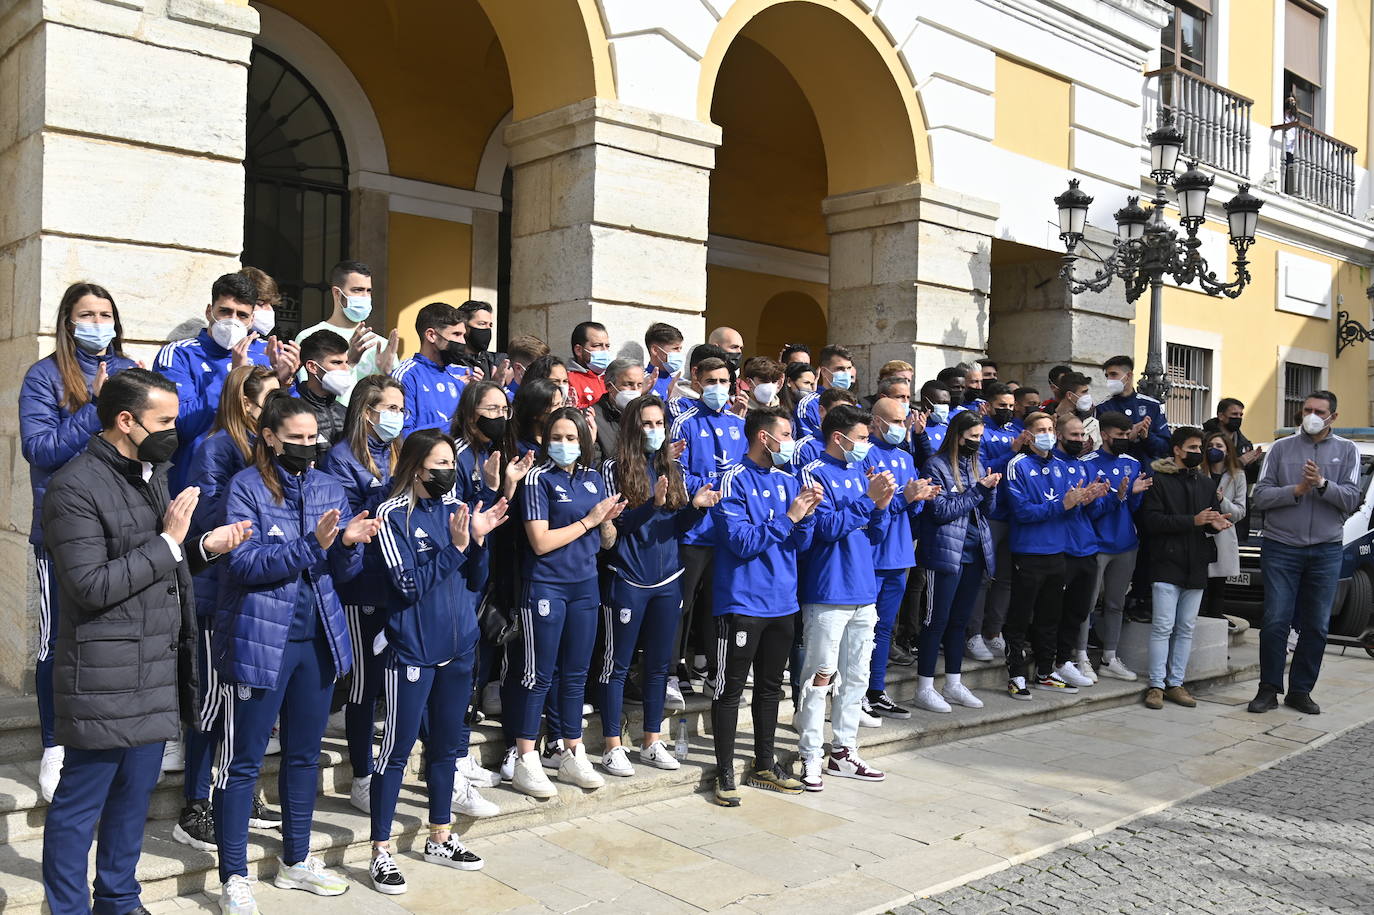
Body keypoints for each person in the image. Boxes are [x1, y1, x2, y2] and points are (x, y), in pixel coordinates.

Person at [39, 369, 250, 915]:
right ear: (125, 421)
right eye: (165, 420)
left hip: (155, 668)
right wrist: (171, 541)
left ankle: (119, 899)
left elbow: (163, 562)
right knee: (79, 805)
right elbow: (89, 585)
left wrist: (204, 545)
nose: (174, 431)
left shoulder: (148, 474)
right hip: (104, 674)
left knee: (134, 801)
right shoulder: (75, 486)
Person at [213, 394, 380, 913]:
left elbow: (343, 575)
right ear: (268, 436)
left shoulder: (329, 485)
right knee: (243, 764)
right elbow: (243, 564)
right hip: (261, 639)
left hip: (319, 639)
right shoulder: (245, 487)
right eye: (297, 438)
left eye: (314, 438)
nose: (308, 447)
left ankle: (296, 859)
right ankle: (233, 875)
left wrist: (350, 545)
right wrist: (314, 544)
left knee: (305, 755)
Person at [367, 430, 508, 894]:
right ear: (415, 467)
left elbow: (476, 581)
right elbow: (407, 585)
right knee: (396, 751)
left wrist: (479, 543)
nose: (448, 471)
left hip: (458, 645)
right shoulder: (391, 516)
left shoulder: (455, 511)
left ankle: (439, 836)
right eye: (439, 464)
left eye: (451, 462)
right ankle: (381, 850)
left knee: (448, 748)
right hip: (412, 649)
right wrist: (457, 548)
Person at [19, 282, 138, 802]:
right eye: (86, 314)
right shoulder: (44, 376)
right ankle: (54, 744)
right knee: (56, 643)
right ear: (68, 321)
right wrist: (95, 406)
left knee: (112, 641)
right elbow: (39, 448)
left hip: (123, 527)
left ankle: (112, 738)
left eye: (105, 314)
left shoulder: (131, 369)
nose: (97, 323)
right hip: (63, 533)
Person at [173, 365, 282, 852]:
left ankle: (234, 789)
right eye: (271, 399)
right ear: (247, 404)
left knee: (243, 705)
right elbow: (211, 519)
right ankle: (194, 805)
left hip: (253, 591)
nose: (278, 406)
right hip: (217, 592)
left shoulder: (265, 449)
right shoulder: (216, 448)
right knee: (211, 704)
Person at [505, 408, 625, 797]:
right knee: (537, 674)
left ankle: (572, 751)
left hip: (585, 586)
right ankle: (526, 758)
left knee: (575, 675)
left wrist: (606, 520)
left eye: (572, 438)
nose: (564, 444)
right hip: (545, 587)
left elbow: (606, 543)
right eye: (557, 436)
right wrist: (590, 521)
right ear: (544, 439)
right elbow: (540, 542)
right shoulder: (538, 479)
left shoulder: (592, 479)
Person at [599, 395, 720, 776]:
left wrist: (694, 507)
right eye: (647, 424)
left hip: (669, 580)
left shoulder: (672, 466)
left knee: (657, 668)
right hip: (628, 579)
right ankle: (611, 746)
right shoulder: (611, 469)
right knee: (616, 666)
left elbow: (675, 527)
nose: (654, 431)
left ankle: (652, 740)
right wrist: (652, 504)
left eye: (659, 424)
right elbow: (616, 530)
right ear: (632, 428)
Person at [709, 407, 820, 806]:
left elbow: (799, 545)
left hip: (782, 602)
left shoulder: (789, 480)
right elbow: (741, 542)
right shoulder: (731, 479)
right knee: (730, 689)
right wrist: (790, 516)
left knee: (771, 688)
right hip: (741, 602)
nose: (790, 442)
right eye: (786, 434)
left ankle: (764, 764)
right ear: (763, 437)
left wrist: (805, 517)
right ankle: (724, 773)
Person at [316, 375, 405, 817]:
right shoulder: (341, 458)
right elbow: (351, 520)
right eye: (390, 408)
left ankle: (391, 764)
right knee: (366, 684)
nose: (397, 417)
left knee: (398, 680)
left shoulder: (397, 452)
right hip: (361, 583)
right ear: (366, 411)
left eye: (401, 410)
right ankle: (363, 775)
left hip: (398, 582)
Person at [795, 404, 896, 791]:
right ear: (839, 437)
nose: (867, 445)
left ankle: (844, 750)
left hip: (862, 590)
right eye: (863, 438)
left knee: (856, 676)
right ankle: (810, 756)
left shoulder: (860, 473)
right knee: (818, 678)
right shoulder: (812, 473)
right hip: (827, 591)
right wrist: (869, 501)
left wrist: (882, 506)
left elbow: (874, 535)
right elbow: (821, 529)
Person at [1248, 391, 1361, 715]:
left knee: (1316, 625)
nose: (1310, 415)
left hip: (1325, 549)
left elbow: (1353, 499)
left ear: (1333, 417)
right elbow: (1261, 496)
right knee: (1275, 620)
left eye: (1318, 411)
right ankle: (1268, 689)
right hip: (1281, 546)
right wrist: (1296, 491)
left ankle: (1300, 691)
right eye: (1306, 409)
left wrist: (1322, 484)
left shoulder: (1347, 450)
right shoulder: (1281, 449)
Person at [154, 272, 295, 492]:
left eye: (242, 315)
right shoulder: (180, 354)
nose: (233, 321)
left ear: (251, 320)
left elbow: (291, 426)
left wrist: (285, 383)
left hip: (260, 482)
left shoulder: (267, 353)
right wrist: (234, 379)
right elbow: (181, 424)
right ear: (210, 311)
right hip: (200, 482)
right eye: (225, 312)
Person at [1001, 411, 1108, 699]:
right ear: (1028, 435)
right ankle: (1016, 675)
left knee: (1050, 616)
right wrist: (1063, 505)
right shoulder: (1017, 465)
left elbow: (1068, 506)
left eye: (1050, 428)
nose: (1047, 434)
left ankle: (1046, 671)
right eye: (1041, 429)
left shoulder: (1061, 467)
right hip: (1028, 552)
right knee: (1020, 617)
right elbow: (1022, 512)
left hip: (1058, 553)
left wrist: (1085, 498)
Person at [1138, 427, 1233, 710]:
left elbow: (1209, 518)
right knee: (1163, 627)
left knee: (1186, 628)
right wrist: (1192, 520)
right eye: (1191, 448)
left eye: (1199, 449)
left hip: (1196, 565)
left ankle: (1176, 683)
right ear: (1177, 450)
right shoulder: (1159, 480)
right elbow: (1151, 522)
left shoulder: (1205, 484)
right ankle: (1156, 685)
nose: (1197, 453)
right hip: (1166, 562)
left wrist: (1216, 524)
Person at [670, 357, 745, 692]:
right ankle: (672, 669)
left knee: (719, 604)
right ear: (698, 381)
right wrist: (707, 486)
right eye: (712, 381)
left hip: (726, 530)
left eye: (724, 381)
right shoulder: (683, 421)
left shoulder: (738, 423)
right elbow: (676, 472)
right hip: (694, 530)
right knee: (680, 603)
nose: (718, 387)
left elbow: (743, 472)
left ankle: (717, 669)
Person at [916, 410, 998, 712]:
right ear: (957, 435)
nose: (977, 443)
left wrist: (989, 490)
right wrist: (979, 490)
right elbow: (940, 512)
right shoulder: (935, 465)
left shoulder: (976, 464)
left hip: (975, 552)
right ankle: (924, 686)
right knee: (935, 621)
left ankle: (953, 682)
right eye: (972, 437)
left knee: (959, 622)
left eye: (980, 437)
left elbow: (984, 510)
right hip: (946, 554)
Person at [862, 396, 936, 719]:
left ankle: (876, 690)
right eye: (893, 420)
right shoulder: (864, 455)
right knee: (861, 629)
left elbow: (911, 508)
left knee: (885, 627)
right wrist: (903, 498)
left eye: (903, 421)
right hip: (871, 554)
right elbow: (870, 508)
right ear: (876, 421)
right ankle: (856, 691)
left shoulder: (906, 456)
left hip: (900, 553)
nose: (899, 427)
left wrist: (918, 497)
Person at [1079, 412, 1151, 681]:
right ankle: (1080, 656)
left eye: (1126, 435)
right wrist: (1117, 496)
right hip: (1096, 544)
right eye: (1119, 436)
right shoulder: (1086, 463)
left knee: (1115, 604)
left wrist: (1133, 495)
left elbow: (1134, 509)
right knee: (1085, 603)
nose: (1124, 440)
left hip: (1126, 544)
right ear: (1105, 435)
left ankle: (1109, 658)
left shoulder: (1132, 463)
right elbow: (1088, 509)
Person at [963, 383, 1023, 662]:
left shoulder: (1017, 429)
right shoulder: (979, 432)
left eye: (1011, 406)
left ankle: (993, 632)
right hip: (990, 514)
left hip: (1014, 514)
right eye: (1002, 406)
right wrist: (1011, 451)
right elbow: (982, 469)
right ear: (987, 406)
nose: (1008, 411)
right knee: (983, 577)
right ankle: (973, 634)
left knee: (1006, 579)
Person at [1054, 413, 1111, 687]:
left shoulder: (1085, 466)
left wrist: (1094, 498)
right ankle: (1051, 661)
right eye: (1074, 435)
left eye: (1082, 435)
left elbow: (1096, 510)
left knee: (1079, 610)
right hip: (1060, 549)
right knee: (1053, 610)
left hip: (1087, 548)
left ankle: (1065, 660)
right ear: (1059, 435)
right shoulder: (1050, 464)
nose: (1079, 440)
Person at [295, 260, 399, 404]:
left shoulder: (382, 344)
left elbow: (394, 400)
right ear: (337, 293)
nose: (365, 297)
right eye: (357, 290)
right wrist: (349, 363)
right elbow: (307, 392)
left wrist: (387, 372)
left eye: (368, 291)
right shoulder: (309, 337)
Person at [392, 302, 469, 436]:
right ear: (431, 335)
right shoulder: (406, 375)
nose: (463, 342)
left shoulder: (465, 373)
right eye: (456, 334)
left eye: (463, 335)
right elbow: (402, 435)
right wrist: (458, 425)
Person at [1202, 431, 1247, 621]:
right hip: (1201, 536)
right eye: (1210, 446)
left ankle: (1215, 631)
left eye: (1219, 446)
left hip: (1223, 537)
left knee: (1218, 587)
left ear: (1228, 451)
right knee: (1200, 587)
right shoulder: (1198, 472)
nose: (1214, 450)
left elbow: (1239, 512)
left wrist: (1222, 500)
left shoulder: (1237, 476)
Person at [1097, 355, 1171, 461]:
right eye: (1107, 376)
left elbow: (1165, 448)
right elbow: (1099, 446)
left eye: (1113, 375)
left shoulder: (1152, 406)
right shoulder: (1102, 408)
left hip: (1146, 472)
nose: (1109, 380)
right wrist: (1126, 437)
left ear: (1128, 376)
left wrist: (1146, 436)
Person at [294, 330, 350, 444]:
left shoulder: (346, 413)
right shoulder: (291, 409)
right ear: (312, 367)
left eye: (346, 362)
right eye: (337, 362)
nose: (346, 369)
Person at [794, 345, 856, 438]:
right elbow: (808, 442)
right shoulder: (808, 405)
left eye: (849, 368)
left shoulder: (856, 405)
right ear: (823, 371)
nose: (846, 373)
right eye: (840, 369)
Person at [593, 358, 647, 460]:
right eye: (628, 384)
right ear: (609, 386)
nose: (635, 390)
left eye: (639, 385)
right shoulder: (593, 418)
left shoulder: (646, 415)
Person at [567, 320, 612, 409]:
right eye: (597, 345)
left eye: (607, 346)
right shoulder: (567, 380)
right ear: (578, 350)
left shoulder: (613, 378)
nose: (604, 351)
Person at [1053, 371, 1101, 452]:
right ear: (1069, 395)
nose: (1088, 396)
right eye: (1084, 392)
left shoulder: (1091, 422)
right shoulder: (1045, 419)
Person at [456, 300, 502, 381]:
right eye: (482, 324)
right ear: (464, 326)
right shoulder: (450, 362)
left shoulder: (496, 362)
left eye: (490, 325)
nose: (487, 329)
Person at [644, 321, 685, 401]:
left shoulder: (682, 383)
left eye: (680, 349)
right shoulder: (642, 382)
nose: (679, 354)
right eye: (675, 349)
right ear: (655, 350)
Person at [505, 334, 550, 399]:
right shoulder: (505, 399)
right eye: (539, 367)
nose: (546, 371)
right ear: (518, 368)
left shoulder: (550, 395)